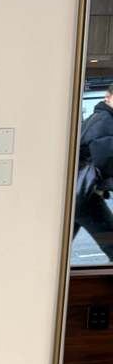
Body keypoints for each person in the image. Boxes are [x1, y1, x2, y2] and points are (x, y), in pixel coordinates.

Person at [74, 85, 113, 262]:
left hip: (79, 194)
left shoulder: (101, 118)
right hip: (85, 196)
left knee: (56, 246)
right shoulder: (104, 121)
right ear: (108, 97)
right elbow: (106, 160)